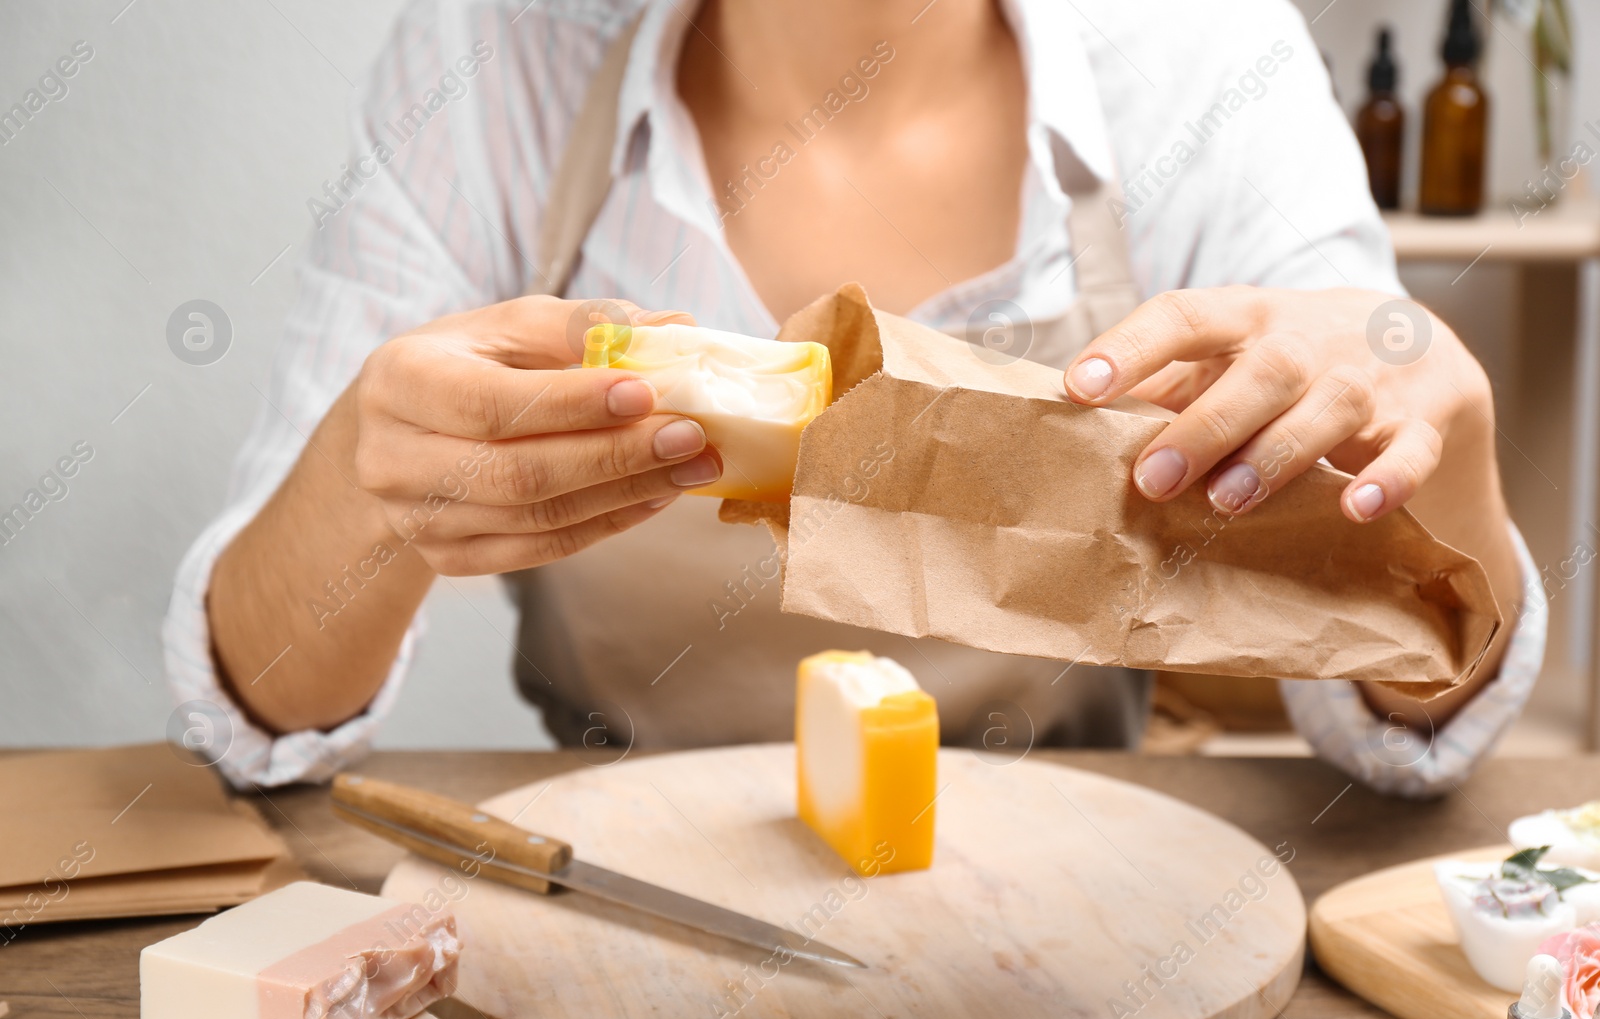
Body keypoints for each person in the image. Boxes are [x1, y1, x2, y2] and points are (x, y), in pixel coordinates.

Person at [164, 0, 1543, 795]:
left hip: (1072, 896)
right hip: (612, 895)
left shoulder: (1194, 49)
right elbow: (259, 716)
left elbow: (1412, 730)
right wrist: (363, 475)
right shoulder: (494, 57)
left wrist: (1450, 450)